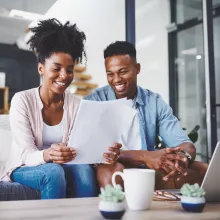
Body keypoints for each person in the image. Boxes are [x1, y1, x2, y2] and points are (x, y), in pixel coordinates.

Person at [1, 19, 121, 199]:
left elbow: (81, 148)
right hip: (24, 166)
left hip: (64, 163)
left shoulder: (77, 105)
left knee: (84, 172)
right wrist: (49, 154)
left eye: (70, 70)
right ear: (41, 68)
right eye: (56, 68)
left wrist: (103, 152)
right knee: (53, 173)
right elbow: (27, 154)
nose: (64, 76)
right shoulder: (22, 101)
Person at [85, 41, 208, 189]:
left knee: (202, 170)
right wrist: (145, 156)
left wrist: (182, 157)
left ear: (137, 68)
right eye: (110, 74)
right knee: (112, 169)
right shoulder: (95, 101)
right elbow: (96, 152)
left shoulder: (153, 102)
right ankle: (117, 210)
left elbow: (185, 144)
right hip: (113, 166)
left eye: (123, 72)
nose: (116, 80)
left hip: (147, 167)